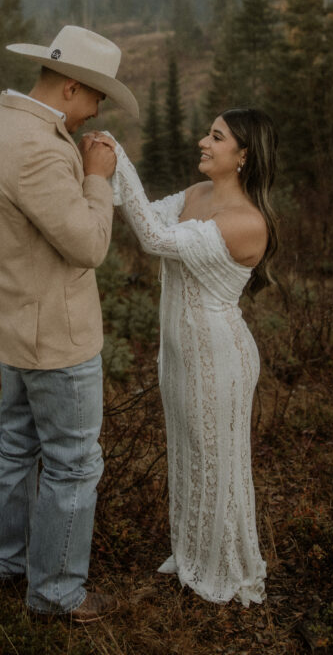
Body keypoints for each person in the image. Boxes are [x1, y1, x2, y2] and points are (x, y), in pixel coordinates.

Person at [0, 25, 139, 623]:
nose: (97, 110)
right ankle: (56, 593)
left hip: (13, 325)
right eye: (97, 97)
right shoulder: (39, 149)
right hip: (57, 341)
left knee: (14, 446)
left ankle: (7, 563)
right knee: (72, 463)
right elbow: (88, 243)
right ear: (71, 87)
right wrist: (97, 174)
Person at [95, 108, 278, 607]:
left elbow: (154, 238)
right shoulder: (196, 196)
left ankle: (227, 569)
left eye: (216, 137)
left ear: (243, 156)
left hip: (220, 359)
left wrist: (119, 156)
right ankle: (193, 555)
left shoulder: (244, 221)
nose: (203, 142)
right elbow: (149, 214)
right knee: (188, 456)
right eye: (207, 133)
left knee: (219, 463)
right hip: (180, 354)